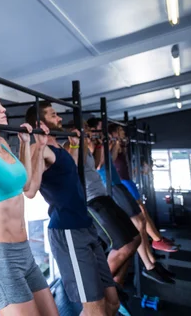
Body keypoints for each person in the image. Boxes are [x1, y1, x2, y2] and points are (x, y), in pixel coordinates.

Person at [0, 91, 59, 316]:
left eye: (1, 104)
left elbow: (27, 187)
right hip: (1, 260)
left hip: (25, 254)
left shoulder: (4, 143)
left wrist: (28, 144)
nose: (3, 109)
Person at [25, 103, 119, 316]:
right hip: (67, 231)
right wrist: (37, 145)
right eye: (54, 115)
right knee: (95, 309)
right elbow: (29, 189)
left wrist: (75, 145)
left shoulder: (59, 147)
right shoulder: (41, 149)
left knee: (112, 302)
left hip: (85, 226)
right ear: (41, 124)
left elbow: (73, 173)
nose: (59, 119)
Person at [88, 119, 175, 285]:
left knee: (140, 222)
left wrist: (112, 144)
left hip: (117, 183)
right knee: (136, 224)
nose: (103, 131)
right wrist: (104, 144)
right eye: (100, 128)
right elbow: (98, 166)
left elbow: (111, 159)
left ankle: (151, 263)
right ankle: (148, 265)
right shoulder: (92, 145)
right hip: (110, 187)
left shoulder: (101, 143)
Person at [62, 121, 140, 291]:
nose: (89, 132)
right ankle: (99, 288)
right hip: (91, 200)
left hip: (102, 195)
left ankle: (116, 286)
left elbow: (97, 165)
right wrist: (78, 142)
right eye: (86, 129)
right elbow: (72, 169)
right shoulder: (69, 146)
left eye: (89, 129)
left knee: (135, 239)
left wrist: (99, 145)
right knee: (123, 246)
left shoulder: (86, 145)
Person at [109, 125, 179, 252]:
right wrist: (116, 143)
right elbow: (110, 161)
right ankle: (157, 240)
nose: (123, 133)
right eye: (120, 132)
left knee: (143, 211)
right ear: (114, 133)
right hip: (121, 182)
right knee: (140, 212)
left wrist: (121, 143)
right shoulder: (111, 145)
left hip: (127, 181)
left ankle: (157, 240)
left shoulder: (120, 146)